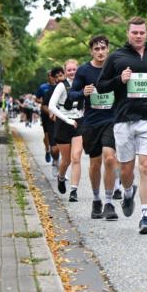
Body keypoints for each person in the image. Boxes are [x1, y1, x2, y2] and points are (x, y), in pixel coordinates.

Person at [96, 16, 147, 232]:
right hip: (123, 120)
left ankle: (146, 215)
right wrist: (120, 80)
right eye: (134, 32)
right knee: (126, 170)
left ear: (146, 33)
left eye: (142, 32)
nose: (138, 36)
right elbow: (100, 86)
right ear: (128, 33)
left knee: (146, 166)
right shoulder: (116, 58)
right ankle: (128, 192)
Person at [71, 35, 120, 220]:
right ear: (91, 51)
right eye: (96, 49)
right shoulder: (84, 70)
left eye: (103, 48)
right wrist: (83, 92)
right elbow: (72, 94)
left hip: (111, 120)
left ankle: (109, 202)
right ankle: (96, 199)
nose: (100, 52)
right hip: (91, 122)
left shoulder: (115, 68)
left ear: (108, 49)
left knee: (109, 158)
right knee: (95, 163)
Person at [50, 60, 84, 199]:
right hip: (64, 123)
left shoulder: (83, 84)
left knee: (76, 157)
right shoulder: (61, 86)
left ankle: (74, 190)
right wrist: (67, 120)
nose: (72, 72)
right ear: (65, 72)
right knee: (66, 160)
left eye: (74, 69)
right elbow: (52, 106)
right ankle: (61, 176)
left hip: (79, 122)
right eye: (69, 70)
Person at [38, 68, 63, 174]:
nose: (59, 78)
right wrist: (50, 113)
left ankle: (62, 171)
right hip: (52, 121)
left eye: (61, 75)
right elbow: (43, 105)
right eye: (56, 76)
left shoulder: (71, 88)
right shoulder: (48, 90)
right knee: (55, 149)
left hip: (66, 123)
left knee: (68, 150)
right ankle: (55, 159)